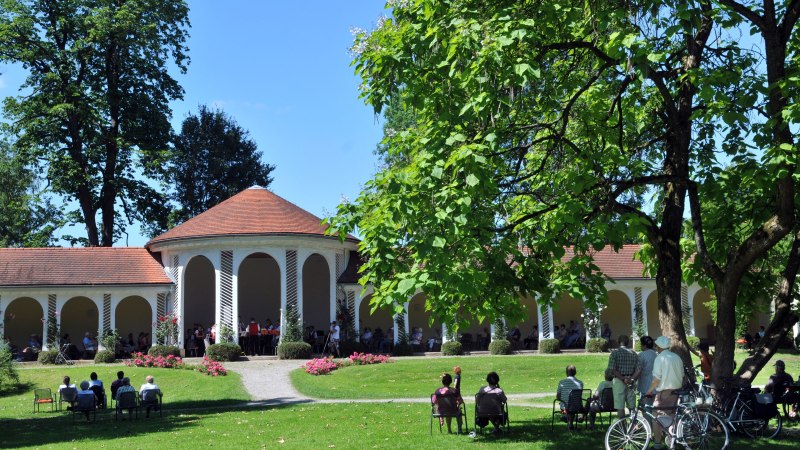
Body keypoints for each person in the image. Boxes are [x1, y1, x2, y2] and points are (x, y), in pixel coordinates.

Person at [646, 336, 685, 450]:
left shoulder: (660, 358)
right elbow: (682, 375)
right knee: (672, 416)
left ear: (658, 347)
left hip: (665, 392)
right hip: (677, 391)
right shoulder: (677, 357)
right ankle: (671, 440)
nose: (655, 348)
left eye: (656, 346)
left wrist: (648, 391)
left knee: (655, 416)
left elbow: (656, 379)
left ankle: (657, 444)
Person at [606, 334, 640, 418]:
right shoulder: (634, 354)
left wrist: (622, 378)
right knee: (632, 406)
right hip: (631, 381)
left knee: (620, 406)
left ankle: (622, 427)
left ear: (618, 342)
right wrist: (631, 379)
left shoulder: (614, 354)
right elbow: (638, 369)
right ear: (628, 343)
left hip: (619, 380)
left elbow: (612, 369)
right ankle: (633, 425)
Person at [556, 364, 584, 430]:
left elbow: (558, 396)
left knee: (568, 405)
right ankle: (577, 419)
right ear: (575, 372)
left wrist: (562, 400)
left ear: (566, 372)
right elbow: (578, 396)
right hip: (577, 406)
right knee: (573, 404)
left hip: (565, 406)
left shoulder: (562, 382)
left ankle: (569, 422)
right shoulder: (580, 383)